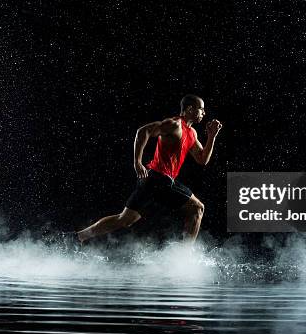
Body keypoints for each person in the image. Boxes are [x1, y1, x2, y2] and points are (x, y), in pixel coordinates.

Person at [76, 94, 222, 244]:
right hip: (159, 179)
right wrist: (137, 162)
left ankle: (79, 237)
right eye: (201, 109)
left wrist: (212, 136)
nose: (204, 113)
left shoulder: (192, 133)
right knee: (197, 208)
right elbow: (142, 131)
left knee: (125, 219)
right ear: (190, 109)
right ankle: (185, 257)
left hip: (153, 181)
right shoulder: (174, 124)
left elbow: (202, 159)